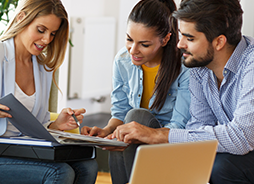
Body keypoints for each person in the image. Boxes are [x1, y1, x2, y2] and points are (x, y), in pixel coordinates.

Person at [0, 0, 98, 183]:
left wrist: (56, 125)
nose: (47, 40)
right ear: (22, 18)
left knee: (88, 165)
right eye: (41, 30)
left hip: (20, 153)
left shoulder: (42, 68)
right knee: (59, 172)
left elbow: (33, 126)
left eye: (52, 34)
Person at [110, 0, 254, 183]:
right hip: (236, 151)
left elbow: (241, 137)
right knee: (197, 160)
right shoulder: (199, 68)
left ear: (219, 42)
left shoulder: (251, 63)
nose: (179, 44)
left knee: (220, 166)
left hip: (246, 151)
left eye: (190, 38)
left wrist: (158, 135)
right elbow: (197, 127)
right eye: (180, 35)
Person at [81, 0, 190, 183]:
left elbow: (179, 126)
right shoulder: (122, 60)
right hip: (135, 146)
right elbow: (120, 112)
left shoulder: (184, 68)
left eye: (144, 44)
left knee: (135, 118)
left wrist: (142, 131)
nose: (133, 50)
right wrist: (107, 131)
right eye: (129, 39)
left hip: (170, 145)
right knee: (123, 130)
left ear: (165, 39)